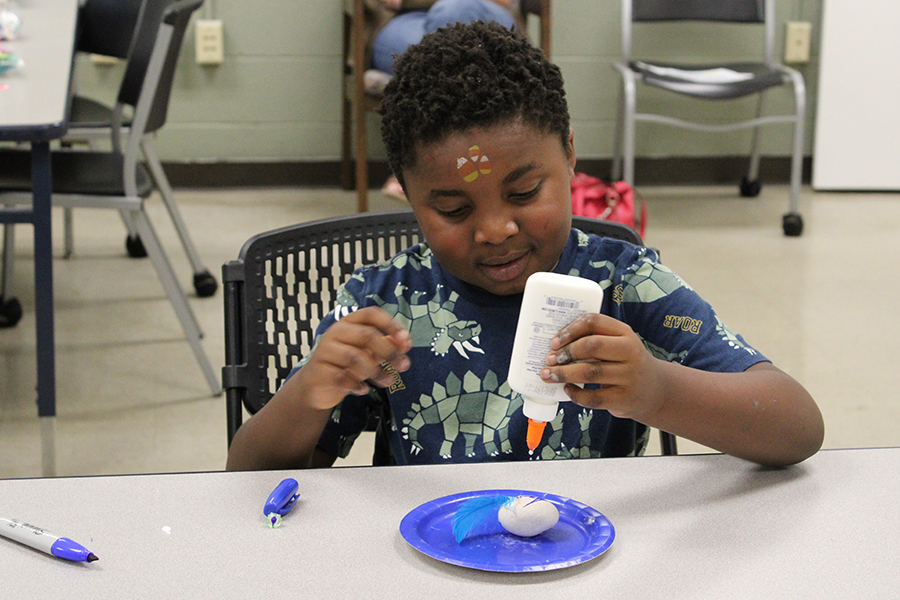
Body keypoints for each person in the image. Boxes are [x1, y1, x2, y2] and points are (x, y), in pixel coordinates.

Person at [226, 21, 824, 471]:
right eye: (454, 209)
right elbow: (248, 477)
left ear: (568, 154)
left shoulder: (624, 282)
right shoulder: (384, 306)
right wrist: (308, 394)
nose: (494, 230)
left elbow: (796, 428)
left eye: (525, 191)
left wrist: (659, 391)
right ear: (406, 193)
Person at [361, 0, 520, 200]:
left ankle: (426, 169)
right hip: (407, 22)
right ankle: (476, 167)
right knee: (445, 51)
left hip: (485, 13)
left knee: (455, 9)